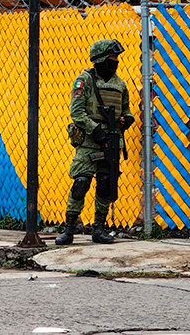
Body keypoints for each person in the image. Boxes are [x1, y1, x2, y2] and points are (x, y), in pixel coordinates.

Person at [56, 39, 135, 245]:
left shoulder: (120, 84)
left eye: (117, 58)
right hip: (89, 141)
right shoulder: (85, 81)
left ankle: (99, 228)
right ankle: (69, 227)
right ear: (100, 59)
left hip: (111, 140)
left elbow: (125, 109)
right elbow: (77, 112)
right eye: (112, 58)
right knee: (81, 182)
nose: (116, 61)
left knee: (105, 184)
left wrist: (126, 119)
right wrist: (94, 129)